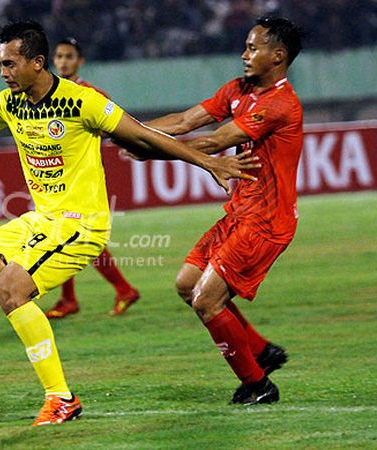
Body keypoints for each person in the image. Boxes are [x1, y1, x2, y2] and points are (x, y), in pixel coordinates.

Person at [0, 21, 258, 426]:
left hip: (81, 225)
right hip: (41, 219)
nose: (3, 72)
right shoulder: (9, 104)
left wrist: (208, 161)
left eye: (10, 64)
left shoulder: (82, 102)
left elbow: (145, 135)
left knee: (10, 289)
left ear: (37, 62)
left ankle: (61, 399)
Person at [126, 16, 304, 405]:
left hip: (266, 222)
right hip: (240, 212)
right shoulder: (239, 89)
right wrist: (131, 131)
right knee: (187, 285)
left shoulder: (279, 105)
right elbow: (186, 121)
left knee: (208, 301)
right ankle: (260, 352)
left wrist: (149, 151)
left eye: (253, 48)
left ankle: (259, 387)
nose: (244, 54)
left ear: (277, 56)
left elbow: (216, 140)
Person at [44, 37, 140, 319]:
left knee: (66, 237)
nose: (63, 61)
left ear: (80, 61)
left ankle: (77, 298)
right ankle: (106, 293)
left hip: (82, 180)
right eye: (59, 56)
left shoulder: (93, 94)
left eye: (69, 56)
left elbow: (114, 128)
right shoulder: (47, 92)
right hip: (56, 179)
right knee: (67, 238)